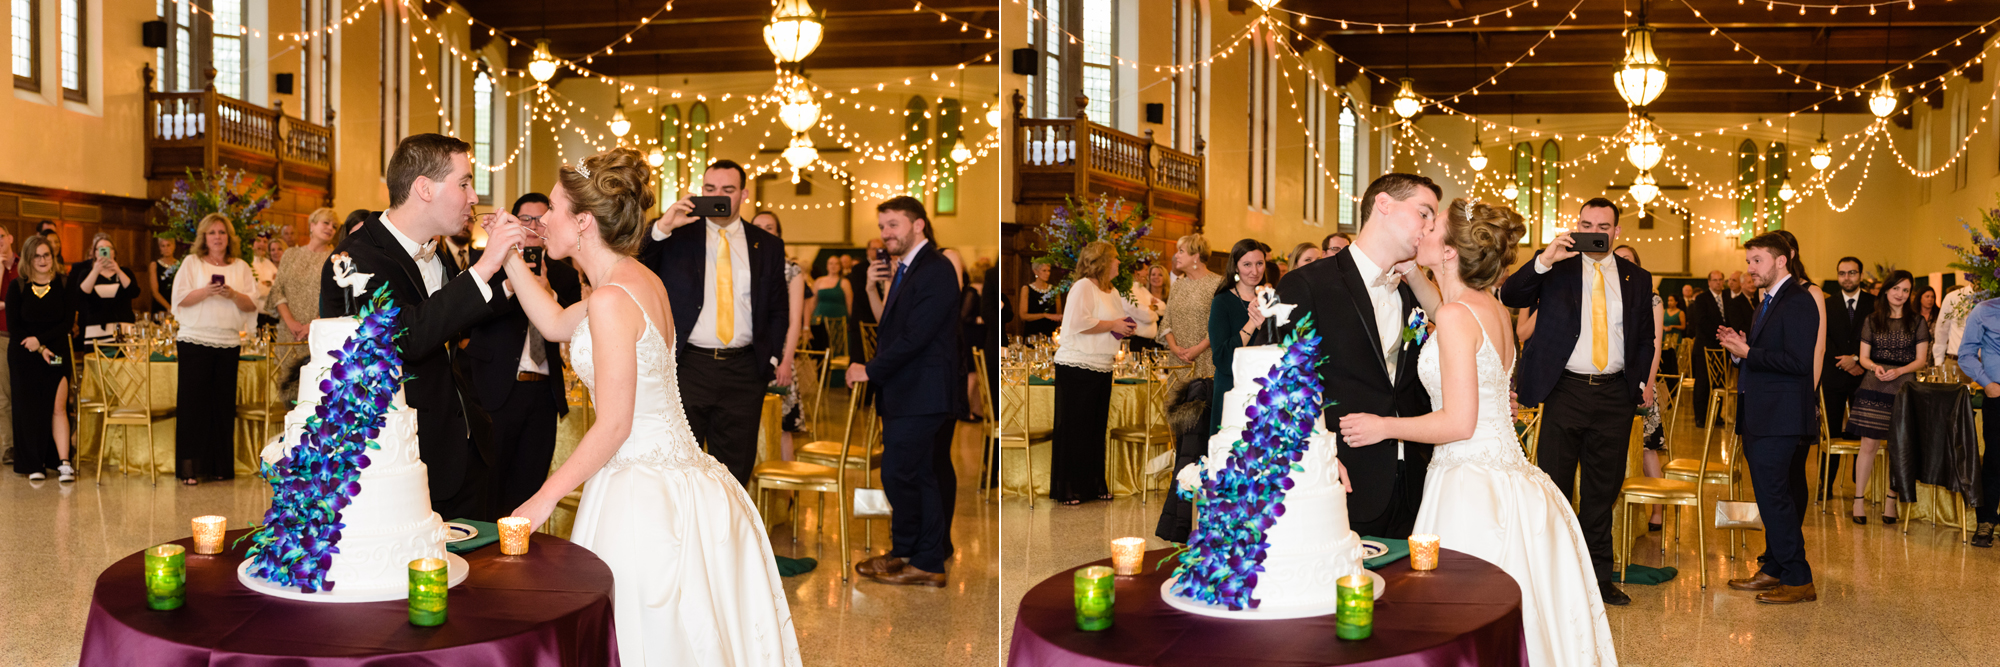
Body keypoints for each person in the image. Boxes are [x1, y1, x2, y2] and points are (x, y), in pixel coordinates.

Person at [492, 148, 802, 665]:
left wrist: (542, 499)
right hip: (680, 471)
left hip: (642, 485)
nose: (543, 220)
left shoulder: (613, 298)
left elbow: (614, 425)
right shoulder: (633, 279)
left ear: (584, 221)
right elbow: (552, 323)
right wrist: (505, 254)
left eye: (552, 208)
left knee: (643, 634)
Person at [1339, 199, 1616, 666]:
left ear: (1449, 252)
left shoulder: (1453, 317)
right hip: (1512, 478)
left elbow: (1458, 422)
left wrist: (1383, 425)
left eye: (1433, 225)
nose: (1423, 228)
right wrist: (1410, 274)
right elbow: (1445, 309)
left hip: (1469, 485)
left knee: (1461, 617)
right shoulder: (1487, 307)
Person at [320, 133, 528, 521]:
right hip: (401, 463)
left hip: (466, 450)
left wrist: (510, 284)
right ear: (424, 188)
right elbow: (408, 338)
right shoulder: (354, 259)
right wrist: (484, 267)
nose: (473, 197)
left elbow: (450, 321)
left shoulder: (438, 253)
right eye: (464, 183)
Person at [1499, 197, 1656, 607]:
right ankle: (1554, 579)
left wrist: (1637, 383)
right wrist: (1544, 258)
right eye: (1586, 223)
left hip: (1613, 395)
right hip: (1566, 390)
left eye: (1602, 226)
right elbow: (1511, 295)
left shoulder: (1636, 278)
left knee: (1602, 492)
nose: (1594, 231)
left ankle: (1598, 580)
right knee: (1555, 486)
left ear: (1616, 232)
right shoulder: (1558, 267)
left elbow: (1644, 337)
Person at [1278, 173, 1442, 541]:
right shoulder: (1308, 284)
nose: (1430, 227)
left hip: (1414, 481)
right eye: (1424, 213)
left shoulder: (1411, 293)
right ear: (1384, 204)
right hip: (1343, 476)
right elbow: (1280, 384)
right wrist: (1315, 458)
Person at [639, 159, 790, 486]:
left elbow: (779, 308)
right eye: (709, 189)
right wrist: (664, 225)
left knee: (734, 473)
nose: (718, 195)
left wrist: (771, 358)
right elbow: (636, 261)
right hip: (688, 367)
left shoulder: (767, 246)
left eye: (727, 190)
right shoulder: (678, 236)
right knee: (679, 467)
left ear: (744, 194)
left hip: (745, 372)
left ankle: (727, 537)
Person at [847, 196, 966, 588]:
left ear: (918, 225)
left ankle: (928, 561)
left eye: (894, 225)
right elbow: (893, 328)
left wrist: (871, 369)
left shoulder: (936, 268)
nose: (886, 234)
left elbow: (917, 337)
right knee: (910, 473)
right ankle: (905, 551)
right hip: (908, 389)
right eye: (883, 226)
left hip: (924, 390)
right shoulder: (907, 268)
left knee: (909, 473)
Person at [462, 193, 583, 514]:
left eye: (540, 218)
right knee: (490, 482)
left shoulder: (564, 273)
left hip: (544, 392)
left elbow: (574, 326)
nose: (532, 226)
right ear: (513, 221)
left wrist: (548, 292)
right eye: (524, 219)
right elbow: (470, 313)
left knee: (530, 482)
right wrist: (512, 284)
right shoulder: (488, 262)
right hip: (497, 388)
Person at [1720, 232, 1821, 605]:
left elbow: (1798, 363)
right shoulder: (1768, 300)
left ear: (1781, 260)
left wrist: (1748, 351)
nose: (1750, 269)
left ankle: (1799, 578)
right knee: (1768, 496)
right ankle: (1775, 567)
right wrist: (1740, 348)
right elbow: (1764, 354)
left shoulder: (1798, 300)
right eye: (1748, 262)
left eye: (1757, 261)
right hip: (1761, 411)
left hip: (1780, 416)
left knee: (1776, 498)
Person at [171, 214, 260, 485]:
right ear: (204, 237)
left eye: (222, 232)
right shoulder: (191, 262)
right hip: (194, 340)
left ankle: (221, 467)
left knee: (222, 406)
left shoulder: (241, 266)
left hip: (228, 342)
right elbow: (180, 299)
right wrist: (207, 291)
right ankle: (189, 469)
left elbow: (251, 305)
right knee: (192, 406)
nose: (218, 237)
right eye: (212, 233)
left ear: (229, 237)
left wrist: (232, 293)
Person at [1049, 241, 1131, 506]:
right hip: (1076, 364)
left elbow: (1116, 324)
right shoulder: (1083, 286)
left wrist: (1128, 327)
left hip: (1103, 364)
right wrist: (1114, 324)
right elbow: (1077, 323)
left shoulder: (1114, 291)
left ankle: (1094, 484)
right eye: (1115, 258)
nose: (1119, 262)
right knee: (1075, 427)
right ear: (1102, 262)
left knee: (1096, 428)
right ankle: (1070, 487)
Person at [1846, 270, 1927, 525]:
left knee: (1898, 446)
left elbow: (1921, 360)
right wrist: (1875, 368)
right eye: (1896, 289)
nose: (1900, 294)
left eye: (1905, 290)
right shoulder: (1872, 319)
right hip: (1874, 384)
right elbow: (1865, 356)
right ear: (1886, 290)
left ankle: (1891, 501)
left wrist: (1900, 371)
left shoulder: (1917, 322)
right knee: (1868, 444)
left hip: (1903, 386)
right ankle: (1859, 500)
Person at [1613, 245, 1670, 531]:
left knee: (1648, 448)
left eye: (1628, 260)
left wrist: (1647, 384)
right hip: (1613, 380)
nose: (1623, 265)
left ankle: (1657, 510)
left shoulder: (1652, 298)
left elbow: (1655, 344)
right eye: (1618, 259)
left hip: (1640, 379)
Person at [10, 235, 75, 482]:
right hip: (25, 356)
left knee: (58, 406)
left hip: (56, 356)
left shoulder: (65, 284)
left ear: (53, 256)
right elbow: (15, 327)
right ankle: (34, 463)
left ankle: (63, 462)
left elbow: (67, 323)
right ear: (28, 258)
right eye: (37, 255)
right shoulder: (17, 287)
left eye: (46, 254)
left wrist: (44, 343)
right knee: (30, 410)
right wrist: (37, 347)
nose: (42, 259)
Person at [750, 210, 808, 459]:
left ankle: (785, 495)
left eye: (769, 227)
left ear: (778, 234)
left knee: (781, 425)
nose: (763, 231)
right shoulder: (741, 262)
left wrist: (786, 361)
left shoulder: (790, 269)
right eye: (758, 226)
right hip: (746, 353)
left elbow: (794, 320)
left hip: (779, 353)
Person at [267, 208, 338, 397]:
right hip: (288, 333)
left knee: (314, 395)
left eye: (334, 226)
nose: (330, 228)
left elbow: (335, 299)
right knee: (285, 393)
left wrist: (311, 326)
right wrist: (291, 322)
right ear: (312, 225)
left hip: (317, 333)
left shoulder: (335, 259)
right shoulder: (290, 254)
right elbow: (277, 290)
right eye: (326, 223)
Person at [1821, 257, 1874, 497]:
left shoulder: (1874, 304)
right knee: (1830, 432)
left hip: (1864, 377)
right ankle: (1826, 485)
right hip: (1834, 375)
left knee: (1859, 431)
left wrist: (1856, 358)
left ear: (1860, 275)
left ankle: (1858, 485)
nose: (1847, 278)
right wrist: (1844, 361)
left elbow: (1878, 337)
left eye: (1852, 273)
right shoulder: (1826, 304)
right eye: (1842, 273)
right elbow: (1823, 338)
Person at [1208, 239, 1273, 434]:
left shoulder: (1272, 299)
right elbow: (1223, 359)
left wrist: (1266, 328)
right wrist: (1252, 322)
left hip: (1264, 389)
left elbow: (1281, 349)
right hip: (1232, 389)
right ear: (1235, 267)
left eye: (1259, 263)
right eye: (1247, 264)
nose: (1254, 271)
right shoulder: (1222, 302)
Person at [1957, 292, 2000, 547]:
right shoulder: (1984, 310)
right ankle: (1986, 521)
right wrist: (1987, 384)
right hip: (1998, 395)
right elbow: (1966, 354)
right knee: (1995, 460)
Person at [69, 233, 141, 349]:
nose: (104, 252)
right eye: (100, 249)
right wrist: (96, 270)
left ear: (114, 252)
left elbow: (134, 292)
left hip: (123, 330)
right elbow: (80, 295)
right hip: (95, 332)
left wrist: (117, 270)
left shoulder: (125, 272)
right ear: (95, 253)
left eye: (108, 248)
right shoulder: (86, 274)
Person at [1162, 234, 1220, 378]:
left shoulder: (1217, 284)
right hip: (1177, 362)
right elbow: (1166, 322)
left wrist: (1198, 349)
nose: (1176, 256)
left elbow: (1220, 324)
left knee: (1201, 399)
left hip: (1206, 360)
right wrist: (1175, 349)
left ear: (1195, 256)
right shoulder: (1177, 286)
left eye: (1181, 251)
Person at [1689, 270, 1730, 426]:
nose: (1718, 282)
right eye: (1715, 280)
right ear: (1709, 282)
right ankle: (1700, 416)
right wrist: (1722, 334)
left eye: (1721, 279)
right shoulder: (1701, 299)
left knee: (1719, 382)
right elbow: (1702, 321)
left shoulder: (1727, 297)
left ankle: (1716, 415)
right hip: (1705, 348)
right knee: (1703, 383)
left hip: (1723, 348)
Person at [810, 253, 851, 352]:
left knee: (837, 348)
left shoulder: (845, 282)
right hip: (820, 320)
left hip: (838, 321)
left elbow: (849, 303)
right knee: (820, 349)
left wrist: (850, 321)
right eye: (831, 263)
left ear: (840, 266)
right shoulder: (819, 281)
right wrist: (808, 321)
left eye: (836, 264)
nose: (833, 266)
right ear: (827, 266)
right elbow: (812, 302)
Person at [1121, 262, 1165, 352]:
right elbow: (1146, 316)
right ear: (1137, 272)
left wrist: (1153, 307)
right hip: (1136, 342)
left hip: (1149, 342)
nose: (1147, 273)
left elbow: (1164, 307)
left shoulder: (1143, 290)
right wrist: (1153, 312)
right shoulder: (1127, 292)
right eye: (1145, 270)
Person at [1018, 261, 1062, 339]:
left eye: (1049, 270)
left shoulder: (1054, 290)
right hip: (1032, 334)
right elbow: (1023, 316)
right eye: (1044, 270)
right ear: (1035, 271)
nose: (1047, 273)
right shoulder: (1026, 289)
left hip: (1050, 333)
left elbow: (1058, 314)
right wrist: (1044, 315)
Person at [0, 228, 14, 466]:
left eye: (1, 236)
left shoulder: (24, 264)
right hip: (1, 336)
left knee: (21, 393)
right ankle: (8, 446)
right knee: (3, 397)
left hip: (25, 337)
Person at [250, 232, 280, 329]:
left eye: (265, 241)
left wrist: (266, 284)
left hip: (272, 317)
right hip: (254, 316)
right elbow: (256, 291)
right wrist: (271, 283)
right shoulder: (248, 263)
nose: (262, 244)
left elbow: (280, 288)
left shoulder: (269, 264)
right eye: (258, 240)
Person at [149, 236, 180, 315]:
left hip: (178, 306)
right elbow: (155, 292)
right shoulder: (154, 265)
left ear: (174, 246)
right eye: (163, 246)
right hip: (160, 308)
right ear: (160, 248)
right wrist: (169, 307)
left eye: (168, 245)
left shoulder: (180, 265)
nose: (166, 248)